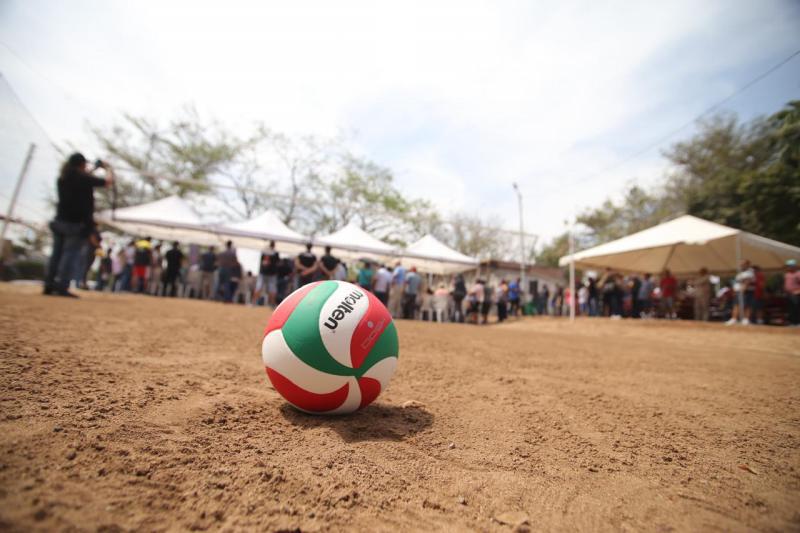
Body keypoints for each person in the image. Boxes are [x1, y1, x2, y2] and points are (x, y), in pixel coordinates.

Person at [44, 153, 113, 297]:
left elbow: (83, 177)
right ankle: (63, 286)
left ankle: (49, 284)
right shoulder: (82, 178)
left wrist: (94, 168)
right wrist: (107, 168)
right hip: (76, 224)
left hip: (60, 221)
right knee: (70, 255)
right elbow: (107, 182)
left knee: (56, 255)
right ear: (82, 164)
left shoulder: (63, 178)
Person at [727, 260, 755, 326]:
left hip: (746, 291)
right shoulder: (740, 273)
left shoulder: (749, 272)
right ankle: (734, 319)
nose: (741, 266)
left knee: (746, 305)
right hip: (738, 291)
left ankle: (746, 319)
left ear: (747, 265)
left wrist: (743, 290)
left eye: (743, 264)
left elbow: (747, 282)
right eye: (741, 264)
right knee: (736, 305)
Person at [254, 241, 280, 306]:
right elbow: (277, 263)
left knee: (259, 287)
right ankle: (272, 303)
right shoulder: (275, 253)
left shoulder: (264, 252)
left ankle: (254, 302)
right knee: (272, 288)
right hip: (271, 273)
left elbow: (263, 262)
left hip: (264, 272)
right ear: (274, 246)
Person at [784, 259, 800, 327]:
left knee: (796, 308)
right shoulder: (787, 274)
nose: (788, 267)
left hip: (796, 294)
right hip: (788, 294)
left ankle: (798, 323)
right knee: (790, 309)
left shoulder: (798, 273)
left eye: (789, 266)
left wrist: (798, 291)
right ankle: (792, 322)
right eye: (787, 266)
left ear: (794, 266)